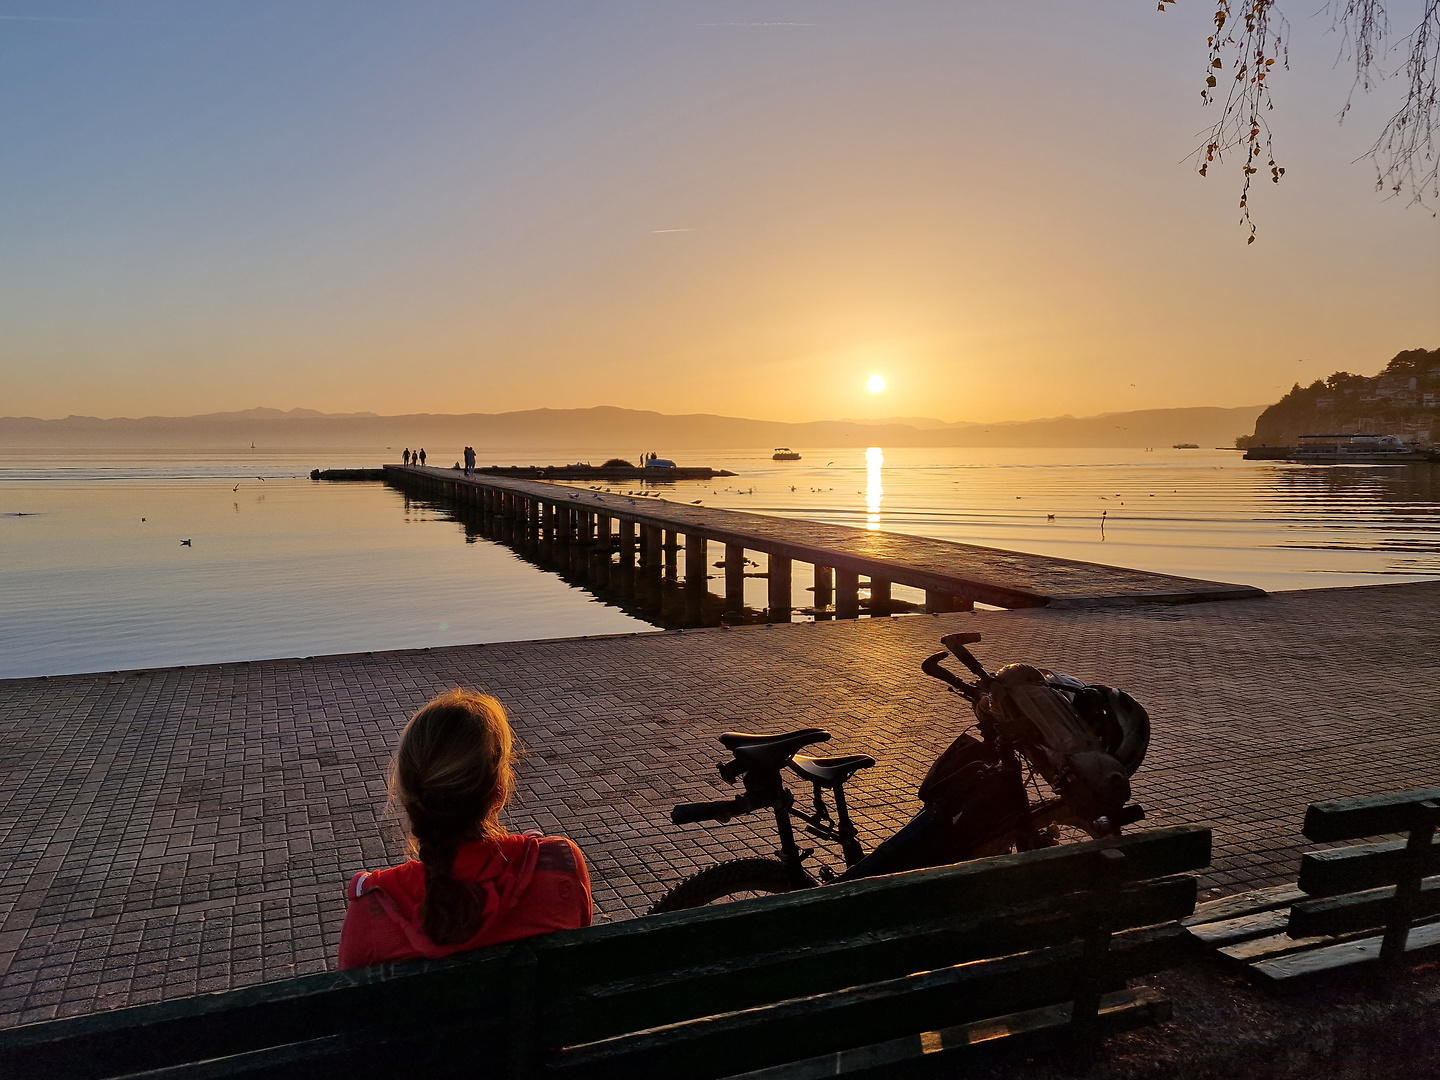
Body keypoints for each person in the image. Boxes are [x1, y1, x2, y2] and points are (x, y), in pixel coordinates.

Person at [338, 690, 592, 968]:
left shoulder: (374, 904)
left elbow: (350, 1008)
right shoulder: (559, 865)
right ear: (500, 791)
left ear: (406, 793)